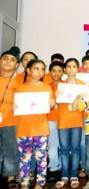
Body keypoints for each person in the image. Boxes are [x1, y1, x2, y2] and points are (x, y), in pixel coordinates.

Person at [15, 59, 55, 189]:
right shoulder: (20, 87)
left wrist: (52, 103)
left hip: (40, 128)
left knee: (41, 158)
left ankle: (40, 183)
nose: (40, 72)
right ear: (28, 70)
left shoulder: (46, 87)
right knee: (24, 158)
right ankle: (24, 183)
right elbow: (16, 107)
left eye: (42, 69)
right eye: (36, 68)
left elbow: (51, 105)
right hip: (24, 128)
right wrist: (14, 106)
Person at [55, 58, 85, 189]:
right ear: (65, 69)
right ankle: (64, 176)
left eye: (74, 66)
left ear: (78, 69)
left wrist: (80, 97)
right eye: (69, 66)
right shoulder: (59, 85)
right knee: (63, 149)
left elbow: (84, 104)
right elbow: (55, 103)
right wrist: (56, 96)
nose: (71, 69)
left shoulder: (82, 84)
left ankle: (74, 175)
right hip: (63, 119)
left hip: (77, 119)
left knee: (76, 148)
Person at [0, 46, 22, 189]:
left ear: (17, 65)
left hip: (11, 119)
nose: (8, 62)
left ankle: (11, 177)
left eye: (12, 60)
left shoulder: (20, 81)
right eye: (5, 58)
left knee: (10, 149)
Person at [46, 61, 64, 182]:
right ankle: (53, 169)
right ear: (50, 72)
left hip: (65, 119)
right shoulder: (46, 86)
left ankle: (63, 168)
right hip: (51, 119)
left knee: (64, 146)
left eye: (59, 71)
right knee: (52, 145)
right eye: (54, 71)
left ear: (64, 72)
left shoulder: (67, 85)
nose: (56, 73)